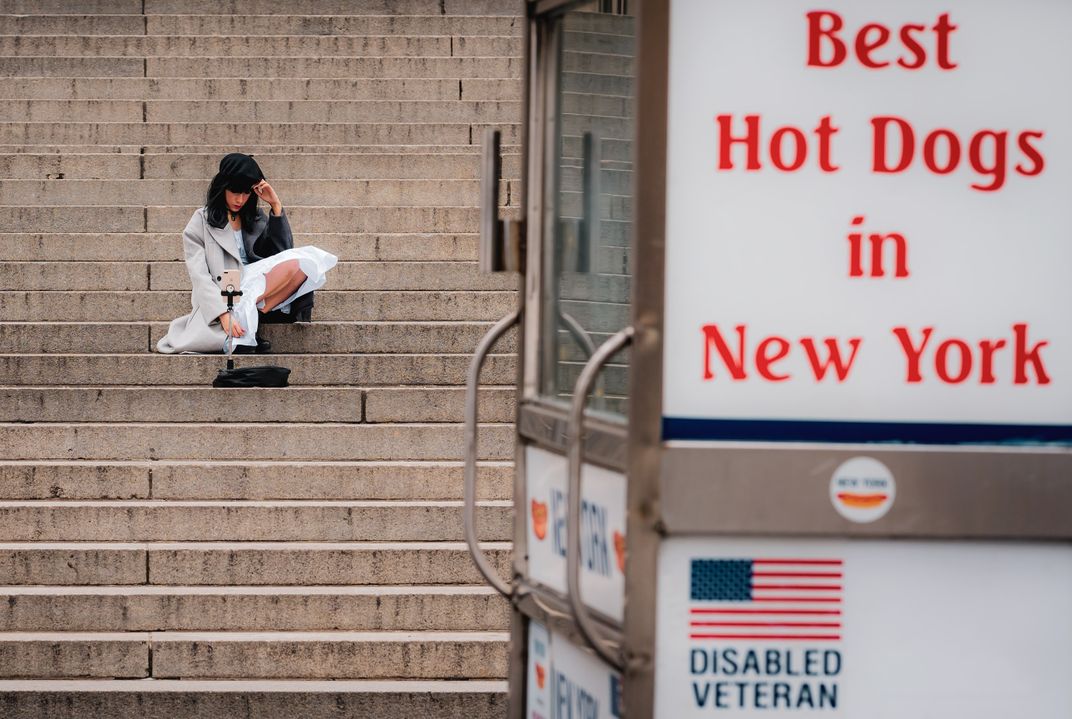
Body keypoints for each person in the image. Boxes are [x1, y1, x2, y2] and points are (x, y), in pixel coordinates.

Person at [156, 153, 337, 354]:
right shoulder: (201, 221)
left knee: (303, 265)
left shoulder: (255, 218)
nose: (240, 199)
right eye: (234, 191)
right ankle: (246, 317)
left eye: (246, 193)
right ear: (222, 187)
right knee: (287, 267)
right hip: (227, 285)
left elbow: (282, 253)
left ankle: (251, 312)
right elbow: (199, 276)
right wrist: (222, 313)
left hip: (254, 286)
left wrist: (275, 206)